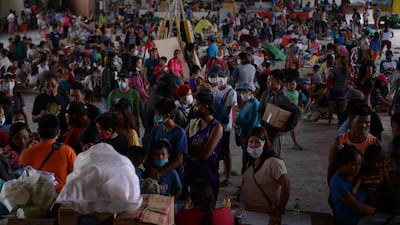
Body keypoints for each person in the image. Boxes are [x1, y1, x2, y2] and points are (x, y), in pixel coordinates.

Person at [238, 127, 290, 225]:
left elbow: (286, 185)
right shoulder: (252, 160)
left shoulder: (274, 162)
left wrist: (281, 207)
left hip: (264, 212)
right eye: (250, 142)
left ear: (265, 143)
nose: (253, 145)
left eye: (257, 142)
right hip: (247, 210)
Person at [19, 114, 76, 193]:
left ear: (38, 131)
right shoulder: (68, 151)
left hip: (34, 199)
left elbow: (22, 175)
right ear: (58, 132)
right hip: (59, 199)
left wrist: (25, 148)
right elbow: (74, 178)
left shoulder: (26, 152)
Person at [183, 90, 223, 199]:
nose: (194, 109)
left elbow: (205, 154)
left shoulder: (216, 127)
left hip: (207, 176)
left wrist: (190, 149)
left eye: (196, 106)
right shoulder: (193, 124)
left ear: (205, 107)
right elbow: (182, 146)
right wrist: (197, 148)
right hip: (190, 174)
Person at [328, 104, 379, 183]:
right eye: (360, 122)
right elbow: (332, 167)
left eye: (367, 122)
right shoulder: (339, 141)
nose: (364, 126)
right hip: (343, 183)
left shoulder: (374, 143)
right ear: (351, 121)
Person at [329, 144, 375, 225]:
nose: (357, 167)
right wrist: (380, 213)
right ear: (342, 163)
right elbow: (357, 206)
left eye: (359, 164)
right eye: (353, 164)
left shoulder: (355, 175)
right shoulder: (338, 183)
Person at [258, 70, 301, 155]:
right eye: (267, 80)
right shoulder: (266, 93)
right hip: (266, 131)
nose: (267, 82)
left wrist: (288, 126)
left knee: (274, 156)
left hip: (276, 134)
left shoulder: (284, 97)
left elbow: (297, 111)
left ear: (278, 82)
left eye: (270, 80)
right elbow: (260, 109)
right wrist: (262, 121)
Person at [148, 99, 187, 179]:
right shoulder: (155, 130)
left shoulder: (179, 133)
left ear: (167, 116)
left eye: (158, 114)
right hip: (155, 172)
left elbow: (179, 160)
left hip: (173, 174)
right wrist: (150, 168)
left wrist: (161, 172)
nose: (155, 117)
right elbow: (150, 153)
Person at [212, 67, 237, 187]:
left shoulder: (231, 92)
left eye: (223, 77)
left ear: (227, 78)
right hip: (215, 124)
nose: (221, 80)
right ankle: (216, 172)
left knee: (226, 150)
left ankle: (228, 176)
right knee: (215, 149)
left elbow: (227, 110)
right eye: (219, 77)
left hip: (224, 126)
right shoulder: (214, 89)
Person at [234, 83, 261, 173]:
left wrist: (238, 121)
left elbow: (252, 123)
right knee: (245, 158)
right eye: (242, 91)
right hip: (244, 134)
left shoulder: (255, 104)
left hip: (251, 135)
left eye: (245, 91)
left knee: (250, 160)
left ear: (251, 92)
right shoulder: (246, 102)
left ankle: (249, 180)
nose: (243, 93)